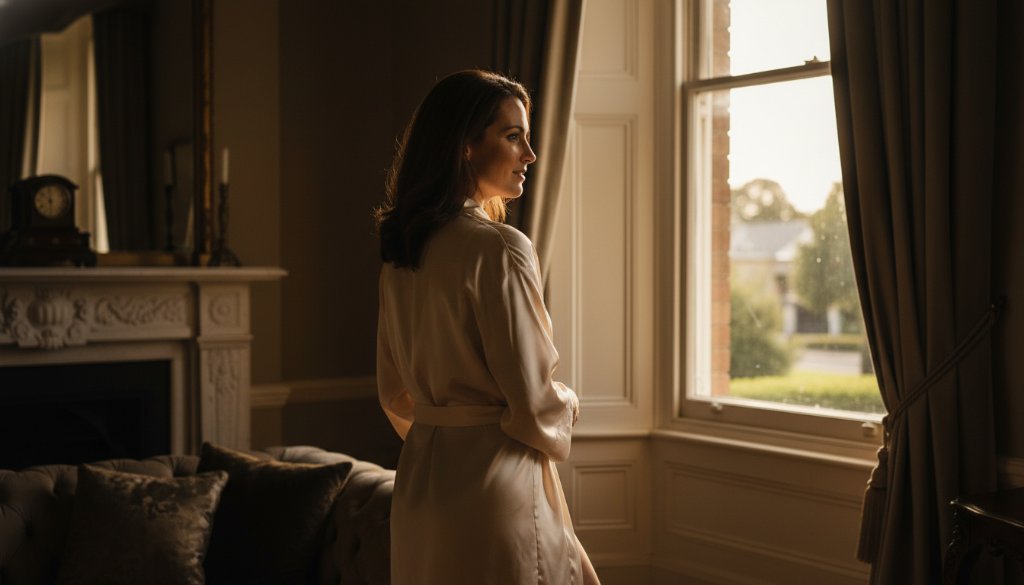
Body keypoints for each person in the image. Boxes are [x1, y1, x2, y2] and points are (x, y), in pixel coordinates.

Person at [375, 69, 601, 585]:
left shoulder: (401, 253)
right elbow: (533, 401)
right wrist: (568, 401)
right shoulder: (500, 248)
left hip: (422, 488)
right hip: (495, 487)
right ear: (466, 146)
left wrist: (447, 433)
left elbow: (394, 394)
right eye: (513, 135)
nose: (530, 154)